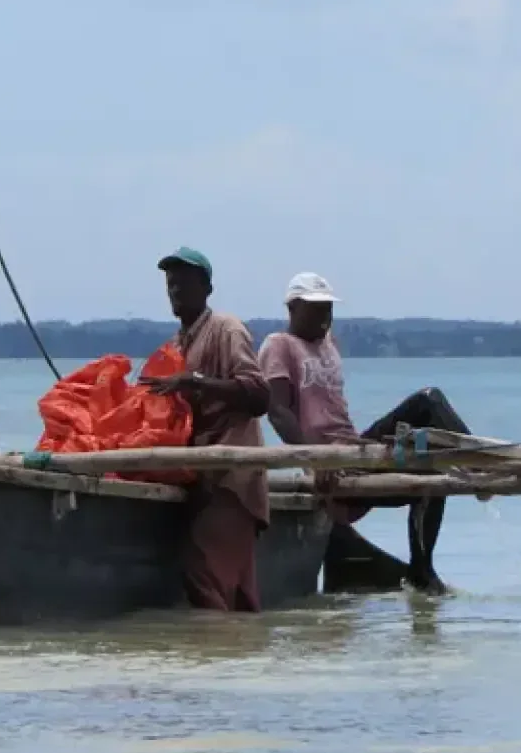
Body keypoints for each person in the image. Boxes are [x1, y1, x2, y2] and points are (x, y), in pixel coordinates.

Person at [258, 272, 463, 595]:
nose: (325, 316)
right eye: (315, 308)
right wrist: (317, 461)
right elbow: (278, 412)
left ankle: (423, 570)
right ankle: (477, 467)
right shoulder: (278, 346)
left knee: (428, 414)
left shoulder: (329, 344)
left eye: (328, 307)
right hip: (333, 462)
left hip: (357, 449)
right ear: (293, 307)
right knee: (428, 400)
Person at [142, 248, 272, 613]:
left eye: (185, 283)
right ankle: (244, 661)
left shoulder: (226, 330)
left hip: (233, 473)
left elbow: (259, 395)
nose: (176, 292)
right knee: (240, 596)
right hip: (202, 475)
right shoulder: (177, 343)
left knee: (205, 576)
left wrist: (196, 382)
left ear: (207, 288)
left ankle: (212, 657)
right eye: (171, 285)